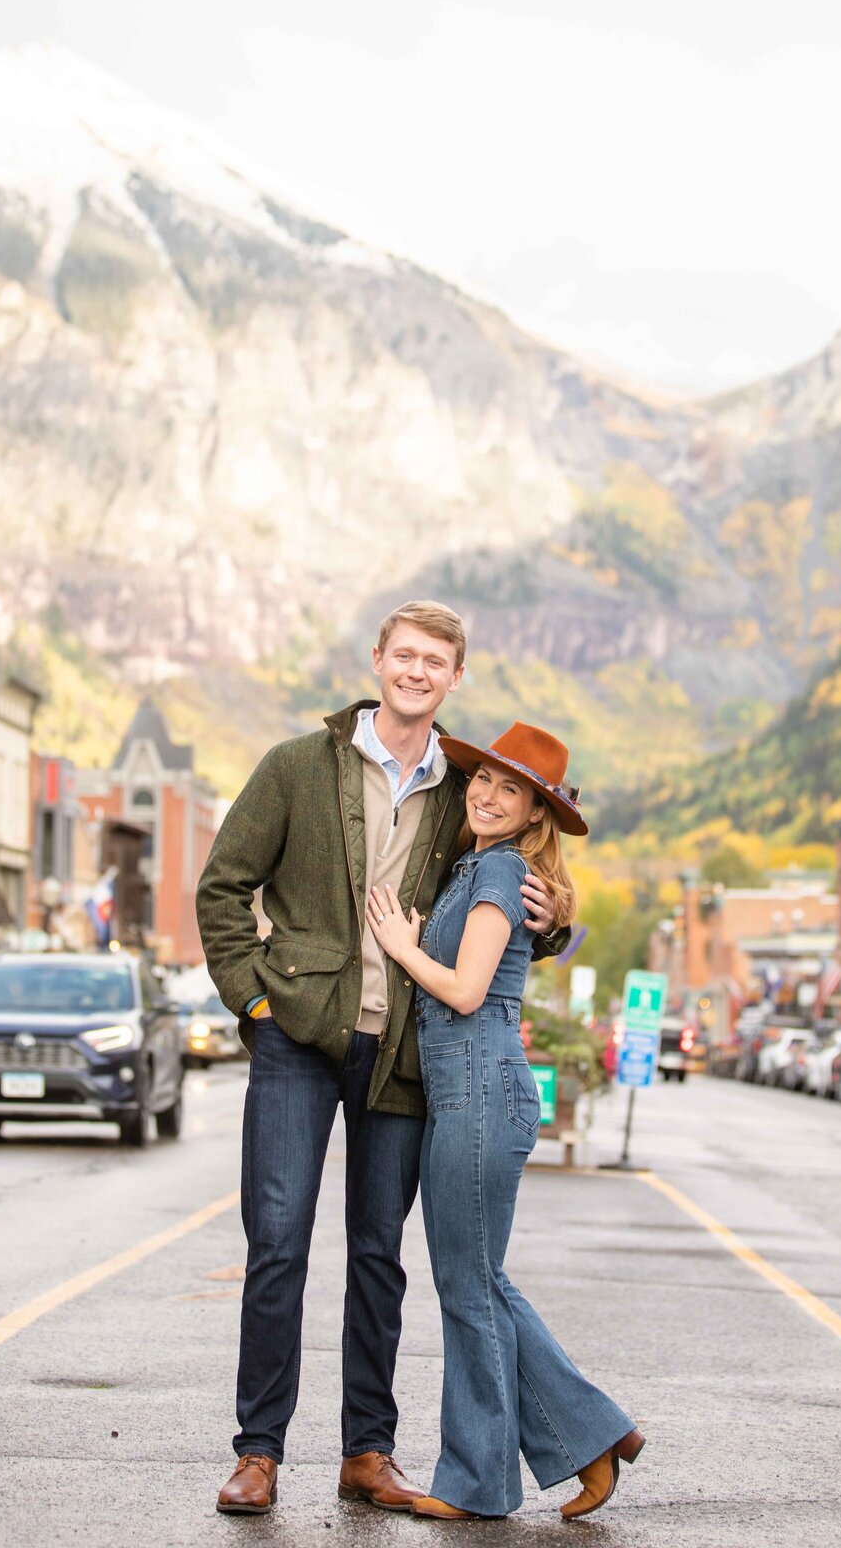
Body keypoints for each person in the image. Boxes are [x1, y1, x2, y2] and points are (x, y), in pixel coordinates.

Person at [196, 602, 567, 1517]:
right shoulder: (296, 766)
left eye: (436, 661)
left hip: (401, 1052)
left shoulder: (462, 790)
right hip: (297, 1038)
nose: (417, 671)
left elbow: (507, 894)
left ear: (454, 677)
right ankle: (258, 1452)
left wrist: (560, 925)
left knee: (378, 1254)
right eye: (404, 655)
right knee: (276, 1242)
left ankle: (368, 1451)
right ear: (378, 661)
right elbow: (222, 888)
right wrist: (254, 1000)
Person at [367, 722, 645, 1522]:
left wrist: (400, 944)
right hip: (468, 1094)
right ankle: (593, 1436)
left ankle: (479, 1482)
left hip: (481, 1091)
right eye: (484, 779)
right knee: (479, 1285)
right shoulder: (478, 866)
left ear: (534, 813)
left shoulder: (498, 870)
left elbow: (462, 989)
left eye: (509, 789)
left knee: (470, 1290)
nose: (487, 795)